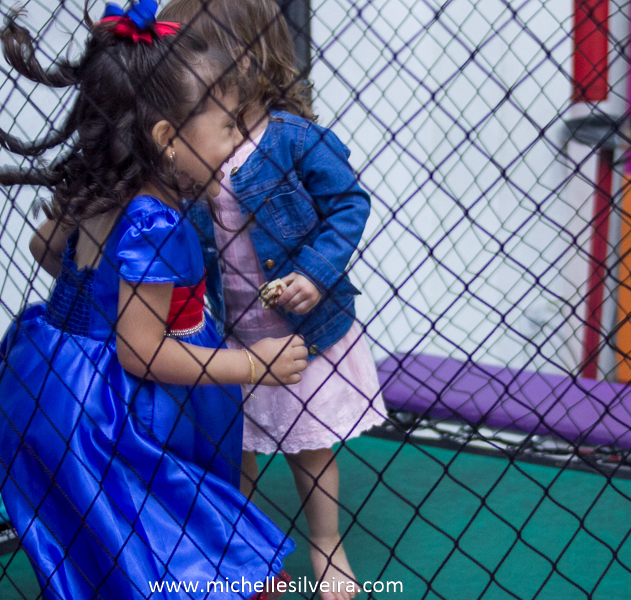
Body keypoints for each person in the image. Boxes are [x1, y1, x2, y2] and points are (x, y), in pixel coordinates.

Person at [0, 2, 305, 598]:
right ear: (168, 140)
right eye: (227, 126)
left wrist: (94, 286)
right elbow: (141, 353)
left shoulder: (99, 191)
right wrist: (255, 364)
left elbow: (45, 247)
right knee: (189, 539)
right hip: (101, 414)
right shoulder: (158, 223)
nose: (236, 142)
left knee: (109, 542)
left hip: (42, 382)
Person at [159, 1, 386, 598]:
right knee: (235, 452)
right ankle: (244, 551)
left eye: (194, 58)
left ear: (246, 61)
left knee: (309, 448)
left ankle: (326, 545)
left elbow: (349, 205)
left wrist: (315, 270)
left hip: (304, 332)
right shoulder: (193, 144)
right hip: (231, 333)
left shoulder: (293, 139)